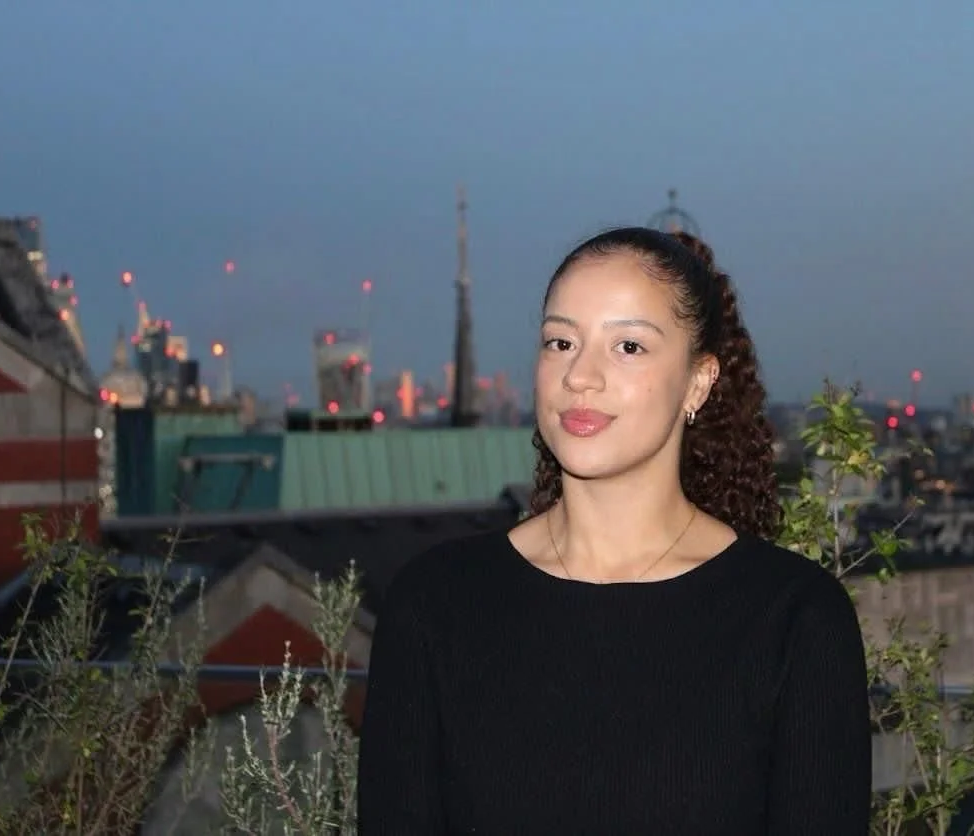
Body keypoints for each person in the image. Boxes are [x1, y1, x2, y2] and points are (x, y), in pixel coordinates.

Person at [358, 227, 871, 834]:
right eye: (560, 341)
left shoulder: (794, 620)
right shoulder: (434, 605)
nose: (580, 375)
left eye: (628, 346)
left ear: (698, 382)